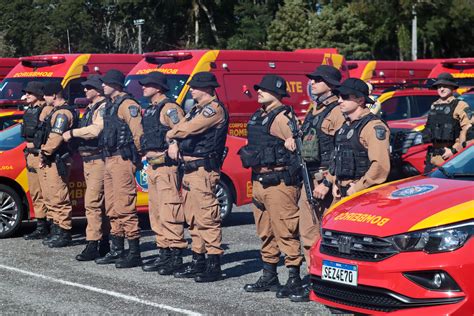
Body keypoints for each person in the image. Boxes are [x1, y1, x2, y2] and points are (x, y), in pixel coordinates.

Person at [238, 74, 303, 299]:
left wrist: (290, 143)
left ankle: (294, 278)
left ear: (277, 93)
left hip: (280, 183)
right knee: (265, 231)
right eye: (258, 89)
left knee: (286, 230)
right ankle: (269, 274)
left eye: (264, 89)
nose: (259, 92)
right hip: (260, 182)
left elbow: (299, 146)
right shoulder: (259, 116)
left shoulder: (283, 117)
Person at [289, 65, 345, 302]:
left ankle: (324, 282)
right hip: (309, 175)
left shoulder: (337, 111)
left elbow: (340, 149)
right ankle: (314, 278)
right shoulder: (315, 110)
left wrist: (329, 179)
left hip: (325, 179)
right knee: (308, 231)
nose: (312, 83)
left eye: (318, 80)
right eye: (312, 80)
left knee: (325, 232)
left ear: (330, 84)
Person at [166, 71, 228, 283]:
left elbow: (189, 128)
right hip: (190, 169)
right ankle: (197, 260)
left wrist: (172, 135)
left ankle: (214, 264)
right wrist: (174, 140)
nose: (191, 89)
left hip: (203, 170)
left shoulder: (213, 109)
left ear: (208, 89)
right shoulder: (195, 109)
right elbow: (182, 128)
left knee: (207, 218)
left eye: (196, 86)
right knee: (192, 218)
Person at [94, 70, 144, 269]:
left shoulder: (127, 105)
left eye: (105, 83)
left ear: (115, 84)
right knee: (112, 207)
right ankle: (117, 250)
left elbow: (138, 132)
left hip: (123, 159)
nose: (102, 86)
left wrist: (140, 155)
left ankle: (134, 252)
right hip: (109, 159)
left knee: (125, 206)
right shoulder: (109, 106)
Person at [138, 72, 187, 275]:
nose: (143, 88)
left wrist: (174, 145)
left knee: (170, 210)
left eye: (147, 85)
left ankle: (176, 255)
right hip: (153, 166)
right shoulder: (150, 110)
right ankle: (163, 252)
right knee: (156, 211)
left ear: (158, 87)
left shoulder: (170, 108)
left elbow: (182, 130)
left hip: (166, 167)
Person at [63, 75, 110, 261]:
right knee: (99, 204)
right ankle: (104, 242)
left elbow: (96, 130)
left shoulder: (103, 108)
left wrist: (72, 133)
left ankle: (93, 244)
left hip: (98, 159)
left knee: (92, 203)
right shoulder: (92, 108)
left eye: (88, 87)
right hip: (89, 160)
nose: (85, 90)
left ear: (97, 90)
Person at [328, 78, 390, 204]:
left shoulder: (372, 126)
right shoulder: (345, 127)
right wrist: (336, 182)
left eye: (345, 97)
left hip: (363, 195)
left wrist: (357, 188)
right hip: (342, 192)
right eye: (339, 96)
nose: (339, 100)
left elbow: (380, 166)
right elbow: (338, 159)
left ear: (360, 100)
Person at [39, 82, 78, 248]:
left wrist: (44, 151)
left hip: (59, 158)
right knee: (50, 195)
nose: (44, 98)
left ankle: (64, 231)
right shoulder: (54, 111)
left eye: (46, 95)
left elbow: (56, 137)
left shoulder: (62, 113)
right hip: (52, 158)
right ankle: (56, 228)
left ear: (54, 95)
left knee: (58, 195)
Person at [22, 81, 54, 240]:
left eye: (30, 92)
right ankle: (41, 226)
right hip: (31, 155)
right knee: (36, 192)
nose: (26, 95)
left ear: (39, 94)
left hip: (42, 155)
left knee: (48, 193)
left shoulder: (46, 110)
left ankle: (54, 227)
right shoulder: (30, 110)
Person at [422, 73, 471, 172]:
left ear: (452, 87)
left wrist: (454, 151)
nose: (442, 89)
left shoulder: (460, 105)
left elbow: (468, 132)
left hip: (453, 159)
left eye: (445, 86)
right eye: (439, 86)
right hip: (433, 159)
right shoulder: (434, 105)